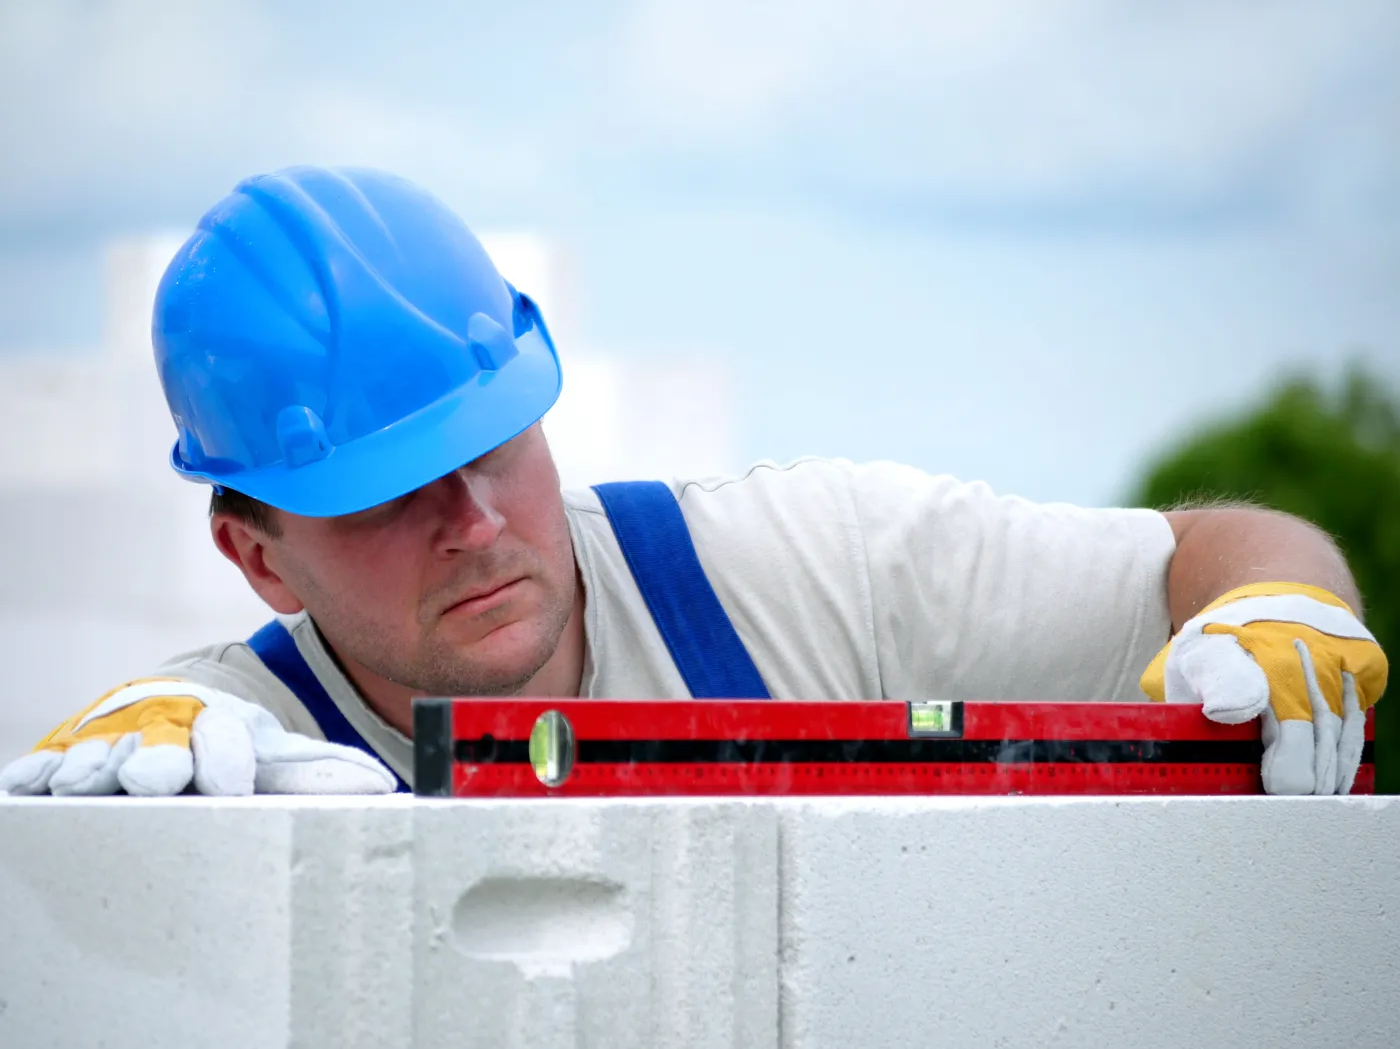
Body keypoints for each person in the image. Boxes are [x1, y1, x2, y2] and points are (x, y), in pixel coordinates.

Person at [0, 166, 1386, 799]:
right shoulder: (214, 751)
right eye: (384, 494)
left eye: (493, 445)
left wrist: (1281, 605)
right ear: (257, 556)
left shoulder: (794, 563)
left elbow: (1214, 553)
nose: (474, 524)